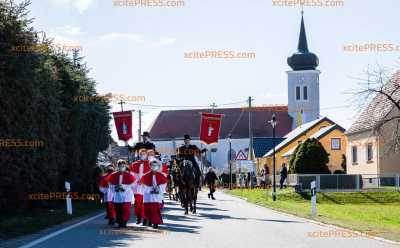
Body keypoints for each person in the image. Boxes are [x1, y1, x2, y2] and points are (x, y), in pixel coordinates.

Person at [108, 160, 136, 228]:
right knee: (118, 209)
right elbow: (110, 185)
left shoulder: (129, 175)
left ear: (125, 166)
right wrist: (116, 187)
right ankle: (120, 221)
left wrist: (124, 187)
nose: (122, 167)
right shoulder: (113, 175)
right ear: (117, 166)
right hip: (117, 195)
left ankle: (124, 222)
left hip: (126, 196)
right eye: (120, 166)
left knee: (126, 209)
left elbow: (133, 185)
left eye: (123, 166)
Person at [141, 160, 168, 229]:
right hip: (148, 196)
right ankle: (149, 220)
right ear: (150, 166)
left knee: (156, 209)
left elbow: (164, 184)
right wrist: (150, 189)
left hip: (157, 195)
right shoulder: (145, 175)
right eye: (152, 165)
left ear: (158, 166)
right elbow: (143, 185)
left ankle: (155, 223)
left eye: (155, 165)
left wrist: (158, 188)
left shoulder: (161, 175)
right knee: (148, 209)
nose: (154, 167)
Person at [129, 149, 151, 224]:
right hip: (137, 186)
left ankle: (145, 218)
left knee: (145, 203)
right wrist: (136, 182)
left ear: (146, 155)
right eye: (141, 154)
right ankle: (139, 217)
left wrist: (144, 181)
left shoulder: (150, 164)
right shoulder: (134, 164)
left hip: (146, 186)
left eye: (144, 154)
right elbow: (131, 175)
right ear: (139, 155)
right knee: (138, 203)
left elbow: (151, 175)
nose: (142, 155)